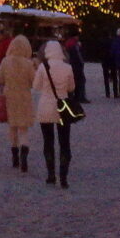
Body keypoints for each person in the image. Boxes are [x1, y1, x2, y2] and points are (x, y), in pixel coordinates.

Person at [32, 39, 76, 187]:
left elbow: (36, 86)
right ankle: (63, 177)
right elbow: (71, 88)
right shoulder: (67, 67)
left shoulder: (43, 67)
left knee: (48, 142)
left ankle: (51, 174)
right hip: (62, 108)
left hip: (45, 107)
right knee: (64, 143)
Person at [0, 33, 36, 172]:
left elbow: (0, 79)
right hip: (24, 96)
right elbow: (34, 82)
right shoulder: (28, 63)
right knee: (23, 128)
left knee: (12, 126)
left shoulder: (5, 61)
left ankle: (14, 156)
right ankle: (24, 152)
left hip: (9, 96)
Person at [63, 26, 89, 104]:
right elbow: (78, 56)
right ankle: (80, 97)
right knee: (81, 81)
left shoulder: (68, 43)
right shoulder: (75, 44)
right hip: (76, 65)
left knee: (72, 80)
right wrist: (82, 63)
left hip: (70, 65)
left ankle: (72, 96)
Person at [99, 31, 118, 98]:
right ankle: (115, 92)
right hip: (112, 61)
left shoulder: (102, 42)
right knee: (114, 77)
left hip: (105, 61)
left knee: (106, 78)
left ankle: (107, 93)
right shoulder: (113, 41)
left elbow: (100, 51)